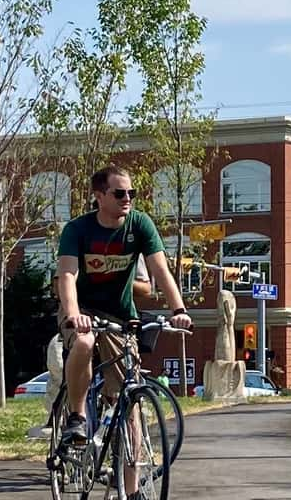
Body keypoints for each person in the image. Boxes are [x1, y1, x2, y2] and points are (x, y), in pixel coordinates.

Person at [55, 166, 191, 500]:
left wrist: (179, 310)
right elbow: (67, 277)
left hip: (120, 317)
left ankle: (130, 493)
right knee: (84, 342)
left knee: (131, 404)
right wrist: (73, 314)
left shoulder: (139, 224)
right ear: (99, 196)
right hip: (82, 312)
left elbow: (160, 268)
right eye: (119, 194)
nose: (127, 199)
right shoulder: (78, 229)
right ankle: (76, 416)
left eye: (131, 193)